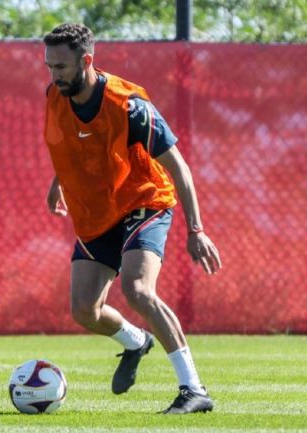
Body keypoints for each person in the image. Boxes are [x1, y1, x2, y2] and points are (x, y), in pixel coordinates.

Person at [42, 23, 222, 414]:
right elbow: (75, 138)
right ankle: (136, 342)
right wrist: (59, 181)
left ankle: (194, 389)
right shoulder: (55, 96)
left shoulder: (130, 106)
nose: (54, 75)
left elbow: (180, 168)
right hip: (97, 209)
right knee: (83, 310)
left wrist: (196, 229)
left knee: (137, 288)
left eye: (61, 67)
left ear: (86, 61)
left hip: (144, 199)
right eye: (49, 67)